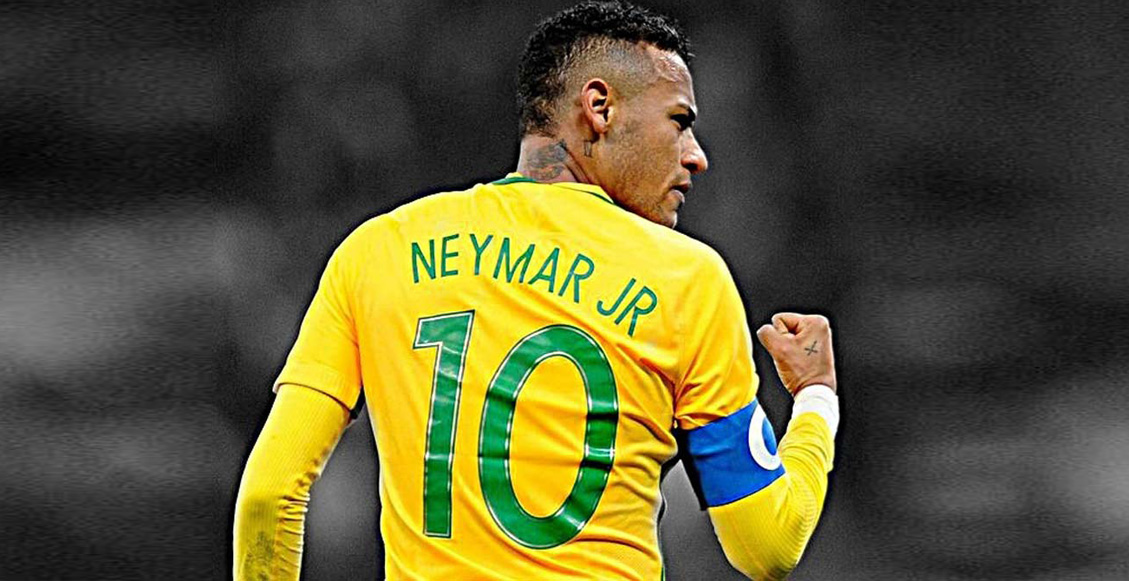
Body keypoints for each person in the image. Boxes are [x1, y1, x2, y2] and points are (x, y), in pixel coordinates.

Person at [233, 1, 840, 579]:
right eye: (678, 123)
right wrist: (816, 396)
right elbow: (766, 546)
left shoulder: (378, 250)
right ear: (599, 108)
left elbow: (269, 494)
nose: (696, 156)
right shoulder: (687, 279)